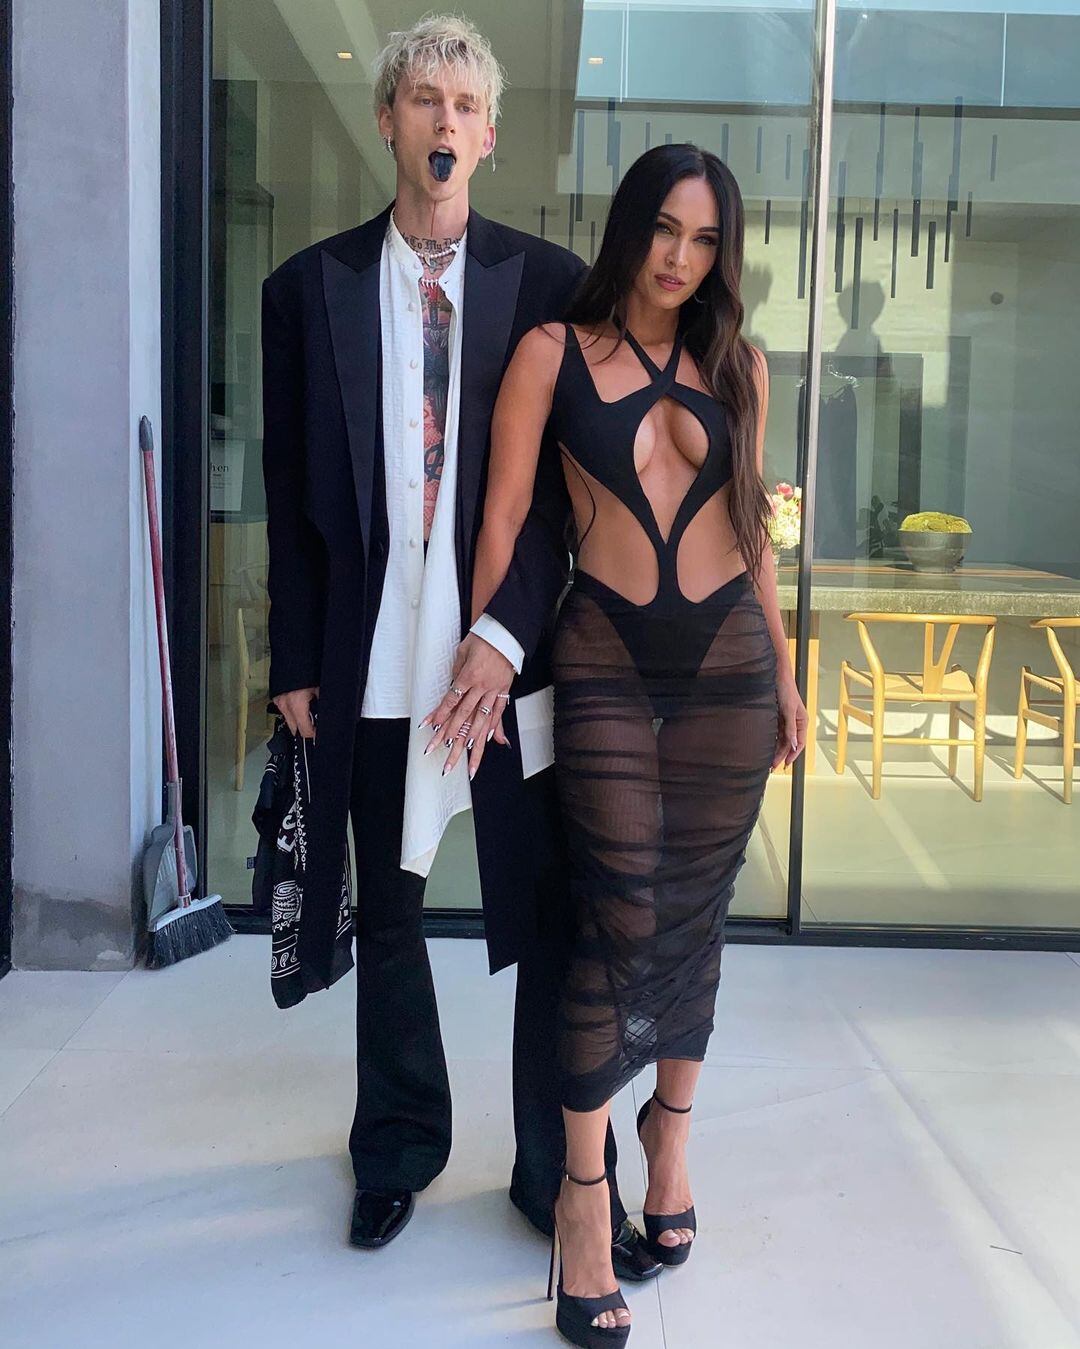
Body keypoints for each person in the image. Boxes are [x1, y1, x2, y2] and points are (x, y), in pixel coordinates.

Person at [260, 14, 658, 1277]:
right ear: (387, 120)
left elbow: (563, 501)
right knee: (388, 911)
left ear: (490, 136)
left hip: (510, 660)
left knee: (549, 915)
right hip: (371, 654)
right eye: (423, 98)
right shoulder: (306, 290)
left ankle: (556, 1171)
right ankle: (396, 1147)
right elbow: (289, 494)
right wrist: (294, 662)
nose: (443, 121)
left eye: (465, 105)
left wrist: (500, 632)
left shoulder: (548, 287)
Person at [427, 144, 808, 1345]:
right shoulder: (552, 353)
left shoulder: (738, 365)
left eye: (705, 240)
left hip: (729, 667)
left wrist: (788, 671)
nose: (680, 258)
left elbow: (754, 530)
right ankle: (582, 1196)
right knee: (616, 916)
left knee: (695, 911)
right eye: (664, 230)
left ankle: (669, 1139)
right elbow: (504, 518)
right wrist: (491, 652)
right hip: (602, 660)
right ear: (630, 227)